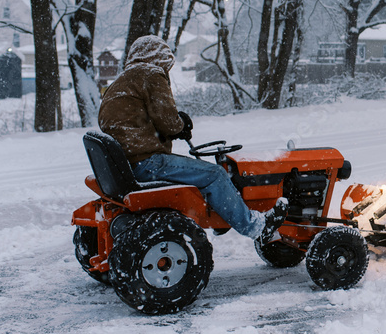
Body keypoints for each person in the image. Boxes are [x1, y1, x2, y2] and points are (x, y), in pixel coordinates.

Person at [98, 35, 287, 242]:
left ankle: (223, 212)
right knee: (214, 174)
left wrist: (173, 127)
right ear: (159, 57)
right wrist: (181, 124)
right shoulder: (150, 73)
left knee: (199, 173)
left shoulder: (120, 82)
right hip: (147, 163)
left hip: (127, 164)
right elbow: (168, 121)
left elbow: (136, 120)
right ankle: (256, 227)